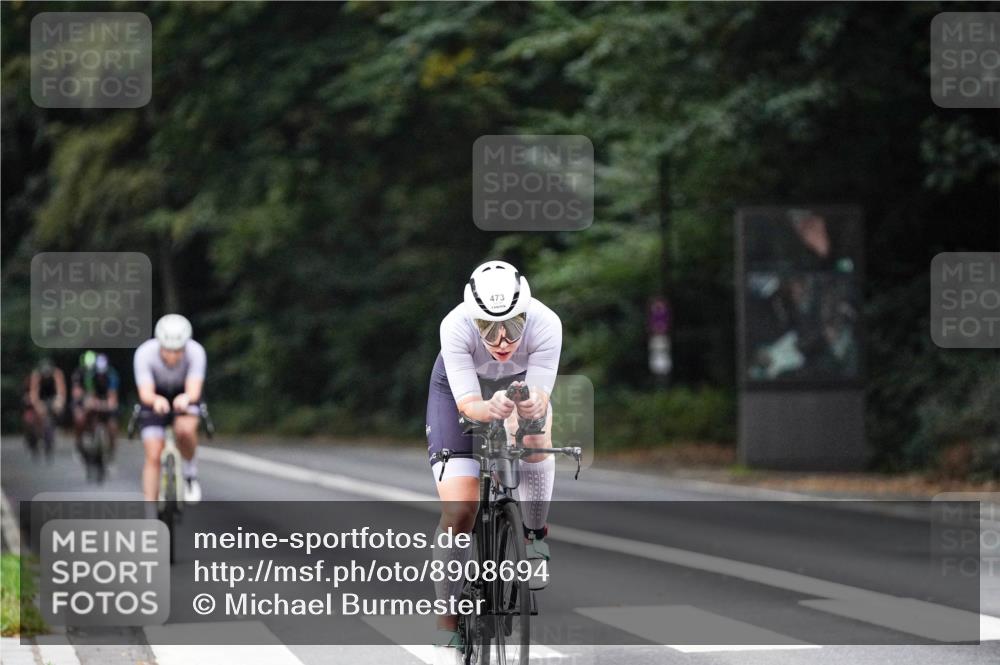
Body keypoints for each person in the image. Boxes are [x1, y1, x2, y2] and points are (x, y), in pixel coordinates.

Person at [426, 261, 561, 661]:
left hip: (516, 387)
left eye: (513, 326)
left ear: (527, 314)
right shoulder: (454, 326)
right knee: (460, 511)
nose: (502, 339)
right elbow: (468, 406)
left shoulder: (547, 323)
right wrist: (489, 407)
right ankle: (447, 623)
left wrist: (531, 405)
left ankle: (535, 536)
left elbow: (539, 398)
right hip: (458, 394)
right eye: (488, 327)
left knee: (536, 434)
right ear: (473, 319)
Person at [133, 314, 206, 504]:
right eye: (167, 350)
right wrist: (155, 400)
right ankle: (150, 509)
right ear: (159, 344)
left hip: (184, 393)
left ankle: (190, 475)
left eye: (178, 350)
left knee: (186, 429)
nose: (172, 355)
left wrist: (187, 398)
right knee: (153, 454)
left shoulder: (196, 352)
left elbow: (194, 389)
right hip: (155, 396)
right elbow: (145, 392)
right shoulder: (144, 353)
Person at [71, 351, 121, 461]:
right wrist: (92, 403)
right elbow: (90, 394)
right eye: (99, 374)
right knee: (81, 418)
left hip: (106, 400)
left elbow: (112, 395)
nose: (101, 376)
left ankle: (111, 450)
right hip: (95, 399)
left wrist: (109, 404)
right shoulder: (90, 375)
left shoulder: (112, 375)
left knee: (113, 426)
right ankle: (80, 442)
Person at [26, 358, 66, 461]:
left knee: (57, 412)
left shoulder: (57, 373)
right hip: (40, 397)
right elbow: (33, 392)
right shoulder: (36, 375)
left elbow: (61, 390)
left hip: (52, 397)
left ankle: (52, 435)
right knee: (31, 419)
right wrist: (37, 404)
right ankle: (33, 441)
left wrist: (59, 401)